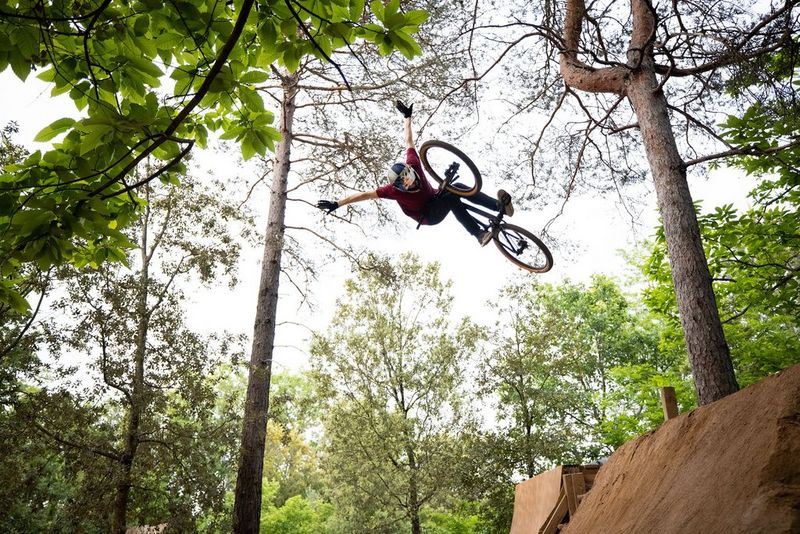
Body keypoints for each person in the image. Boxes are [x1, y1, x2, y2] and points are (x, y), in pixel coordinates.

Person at [316, 100, 514, 246]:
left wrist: (407, 117)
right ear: (399, 186)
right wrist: (338, 203)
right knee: (453, 199)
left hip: (436, 198)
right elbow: (365, 195)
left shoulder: (414, 163)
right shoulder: (392, 191)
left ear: (410, 170)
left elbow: (408, 141)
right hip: (428, 215)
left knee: (458, 189)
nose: (410, 182)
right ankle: (478, 234)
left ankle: (501, 207)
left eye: (409, 177)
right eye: (405, 183)